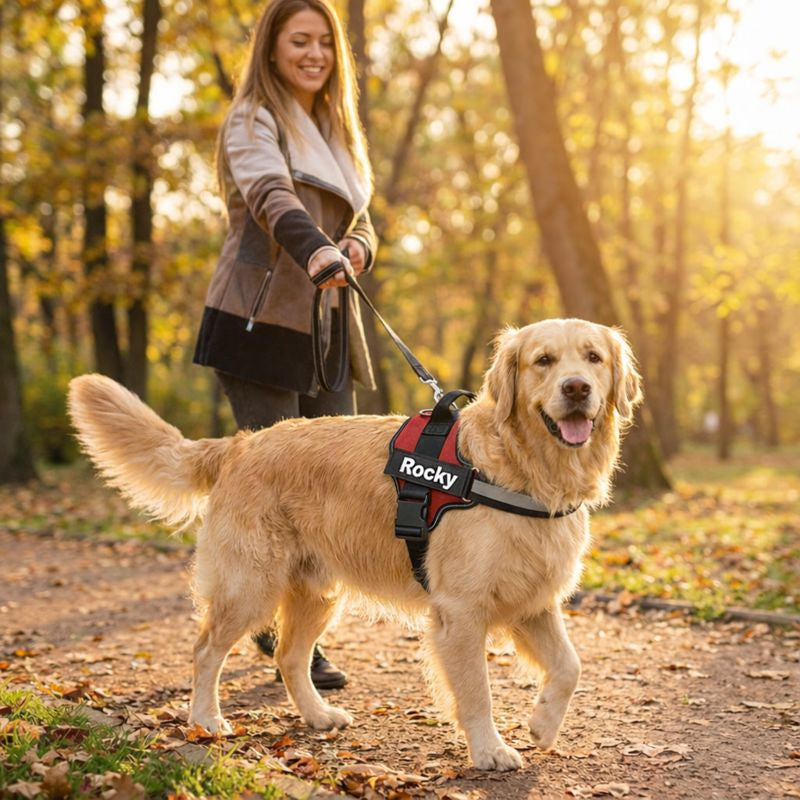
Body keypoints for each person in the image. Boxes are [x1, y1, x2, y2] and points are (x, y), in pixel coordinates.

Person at [193, 0, 378, 690]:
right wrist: (319, 250)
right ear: (271, 48)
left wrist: (356, 244)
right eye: (299, 40)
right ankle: (273, 637)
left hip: (328, 323)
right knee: (273, 492)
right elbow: (272, 198)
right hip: (260, 320)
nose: (314, 53)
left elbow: (364, 218)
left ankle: (297, 639)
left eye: (324, 42)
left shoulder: (337, 127)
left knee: (336, 487)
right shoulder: (252, 120)